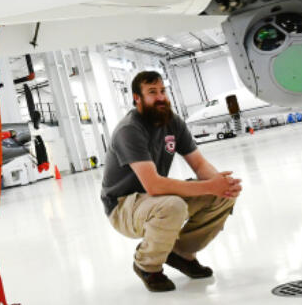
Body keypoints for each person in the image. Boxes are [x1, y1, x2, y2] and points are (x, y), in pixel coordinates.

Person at [101, 71, 241, 292]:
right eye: (152, 92)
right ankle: (147, 265)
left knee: (221, 195)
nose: (160, 97)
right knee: (172, 207)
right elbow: (153, 185)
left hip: (155, 198)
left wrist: (221, 184)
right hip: (123, 206)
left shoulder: (173, 122)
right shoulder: (130, 130)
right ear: (137, 98)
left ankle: (181, 254)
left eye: (163, 91)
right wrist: (210, 185)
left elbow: (199, 165)